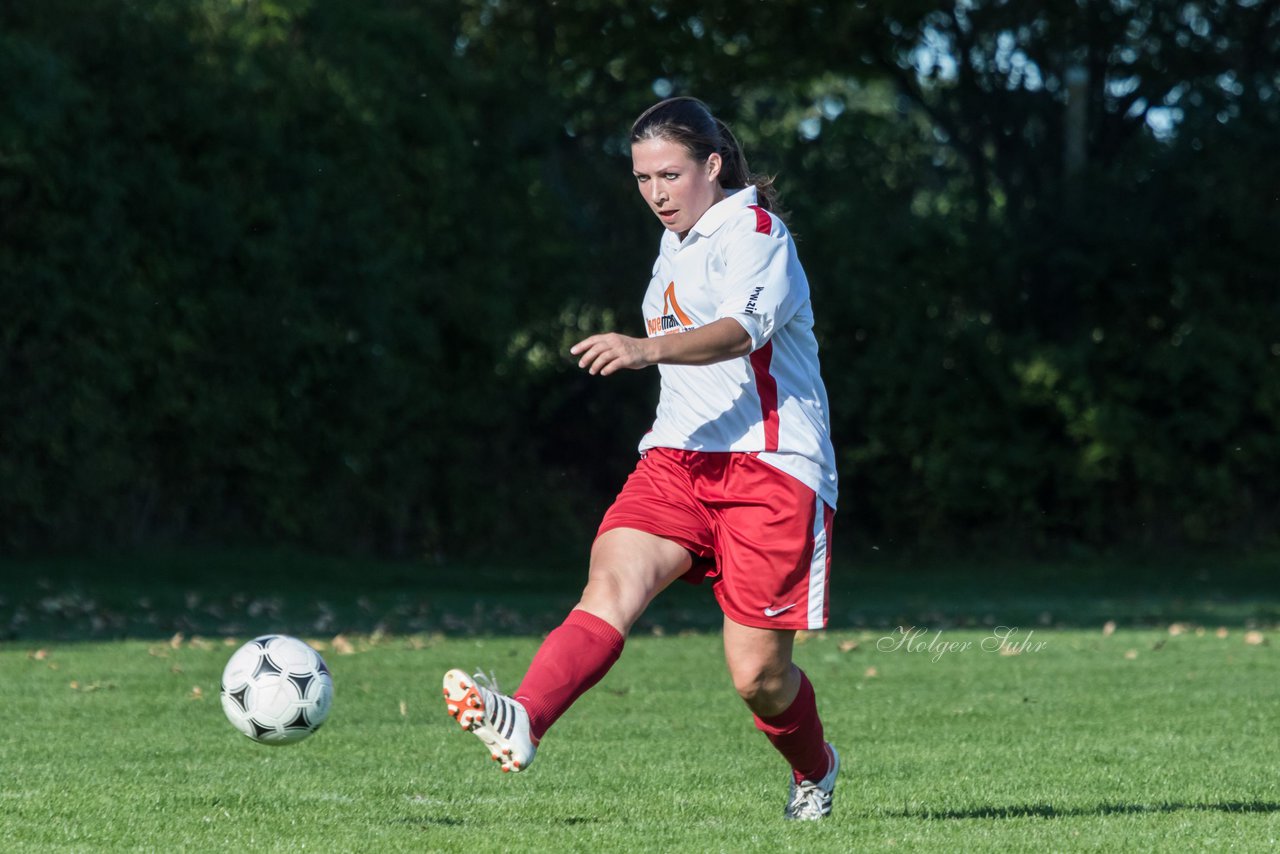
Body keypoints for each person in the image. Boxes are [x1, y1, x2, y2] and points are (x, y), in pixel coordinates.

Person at [442, 96, 840, 821]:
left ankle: (815, 770)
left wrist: (646, 347)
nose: (656, 193)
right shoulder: (675, 244)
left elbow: (741, 331)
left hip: (770, 469)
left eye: (670, 174)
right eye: (642, 178)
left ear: (712, 165)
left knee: (758, 678)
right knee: (610, 591)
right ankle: (524, 716)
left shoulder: (757, 232)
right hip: (675, 463)